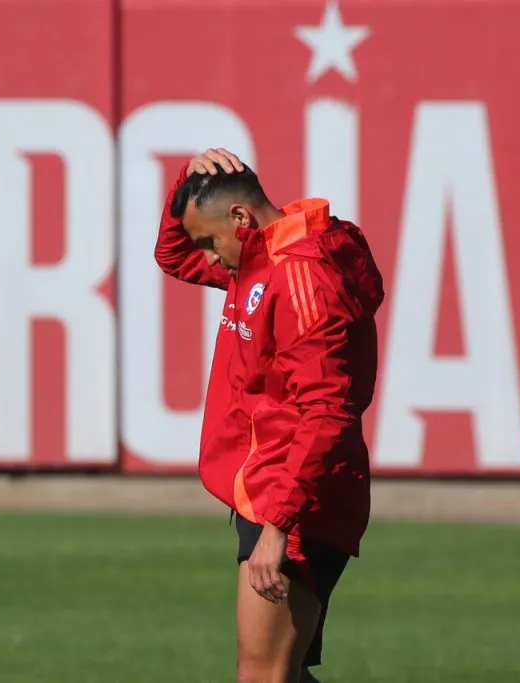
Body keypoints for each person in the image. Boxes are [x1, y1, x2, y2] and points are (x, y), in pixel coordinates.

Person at [154, 148, 384, 683]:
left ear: (241, 217)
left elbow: (327, 413)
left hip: (296, 496)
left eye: (211, 242)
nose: (209, 259)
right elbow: (173, 256)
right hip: (276, 487)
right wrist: (189, 179)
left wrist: (279, 525)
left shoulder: (300, 277)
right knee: (283, 673)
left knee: (263, 676)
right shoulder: (259, 259)